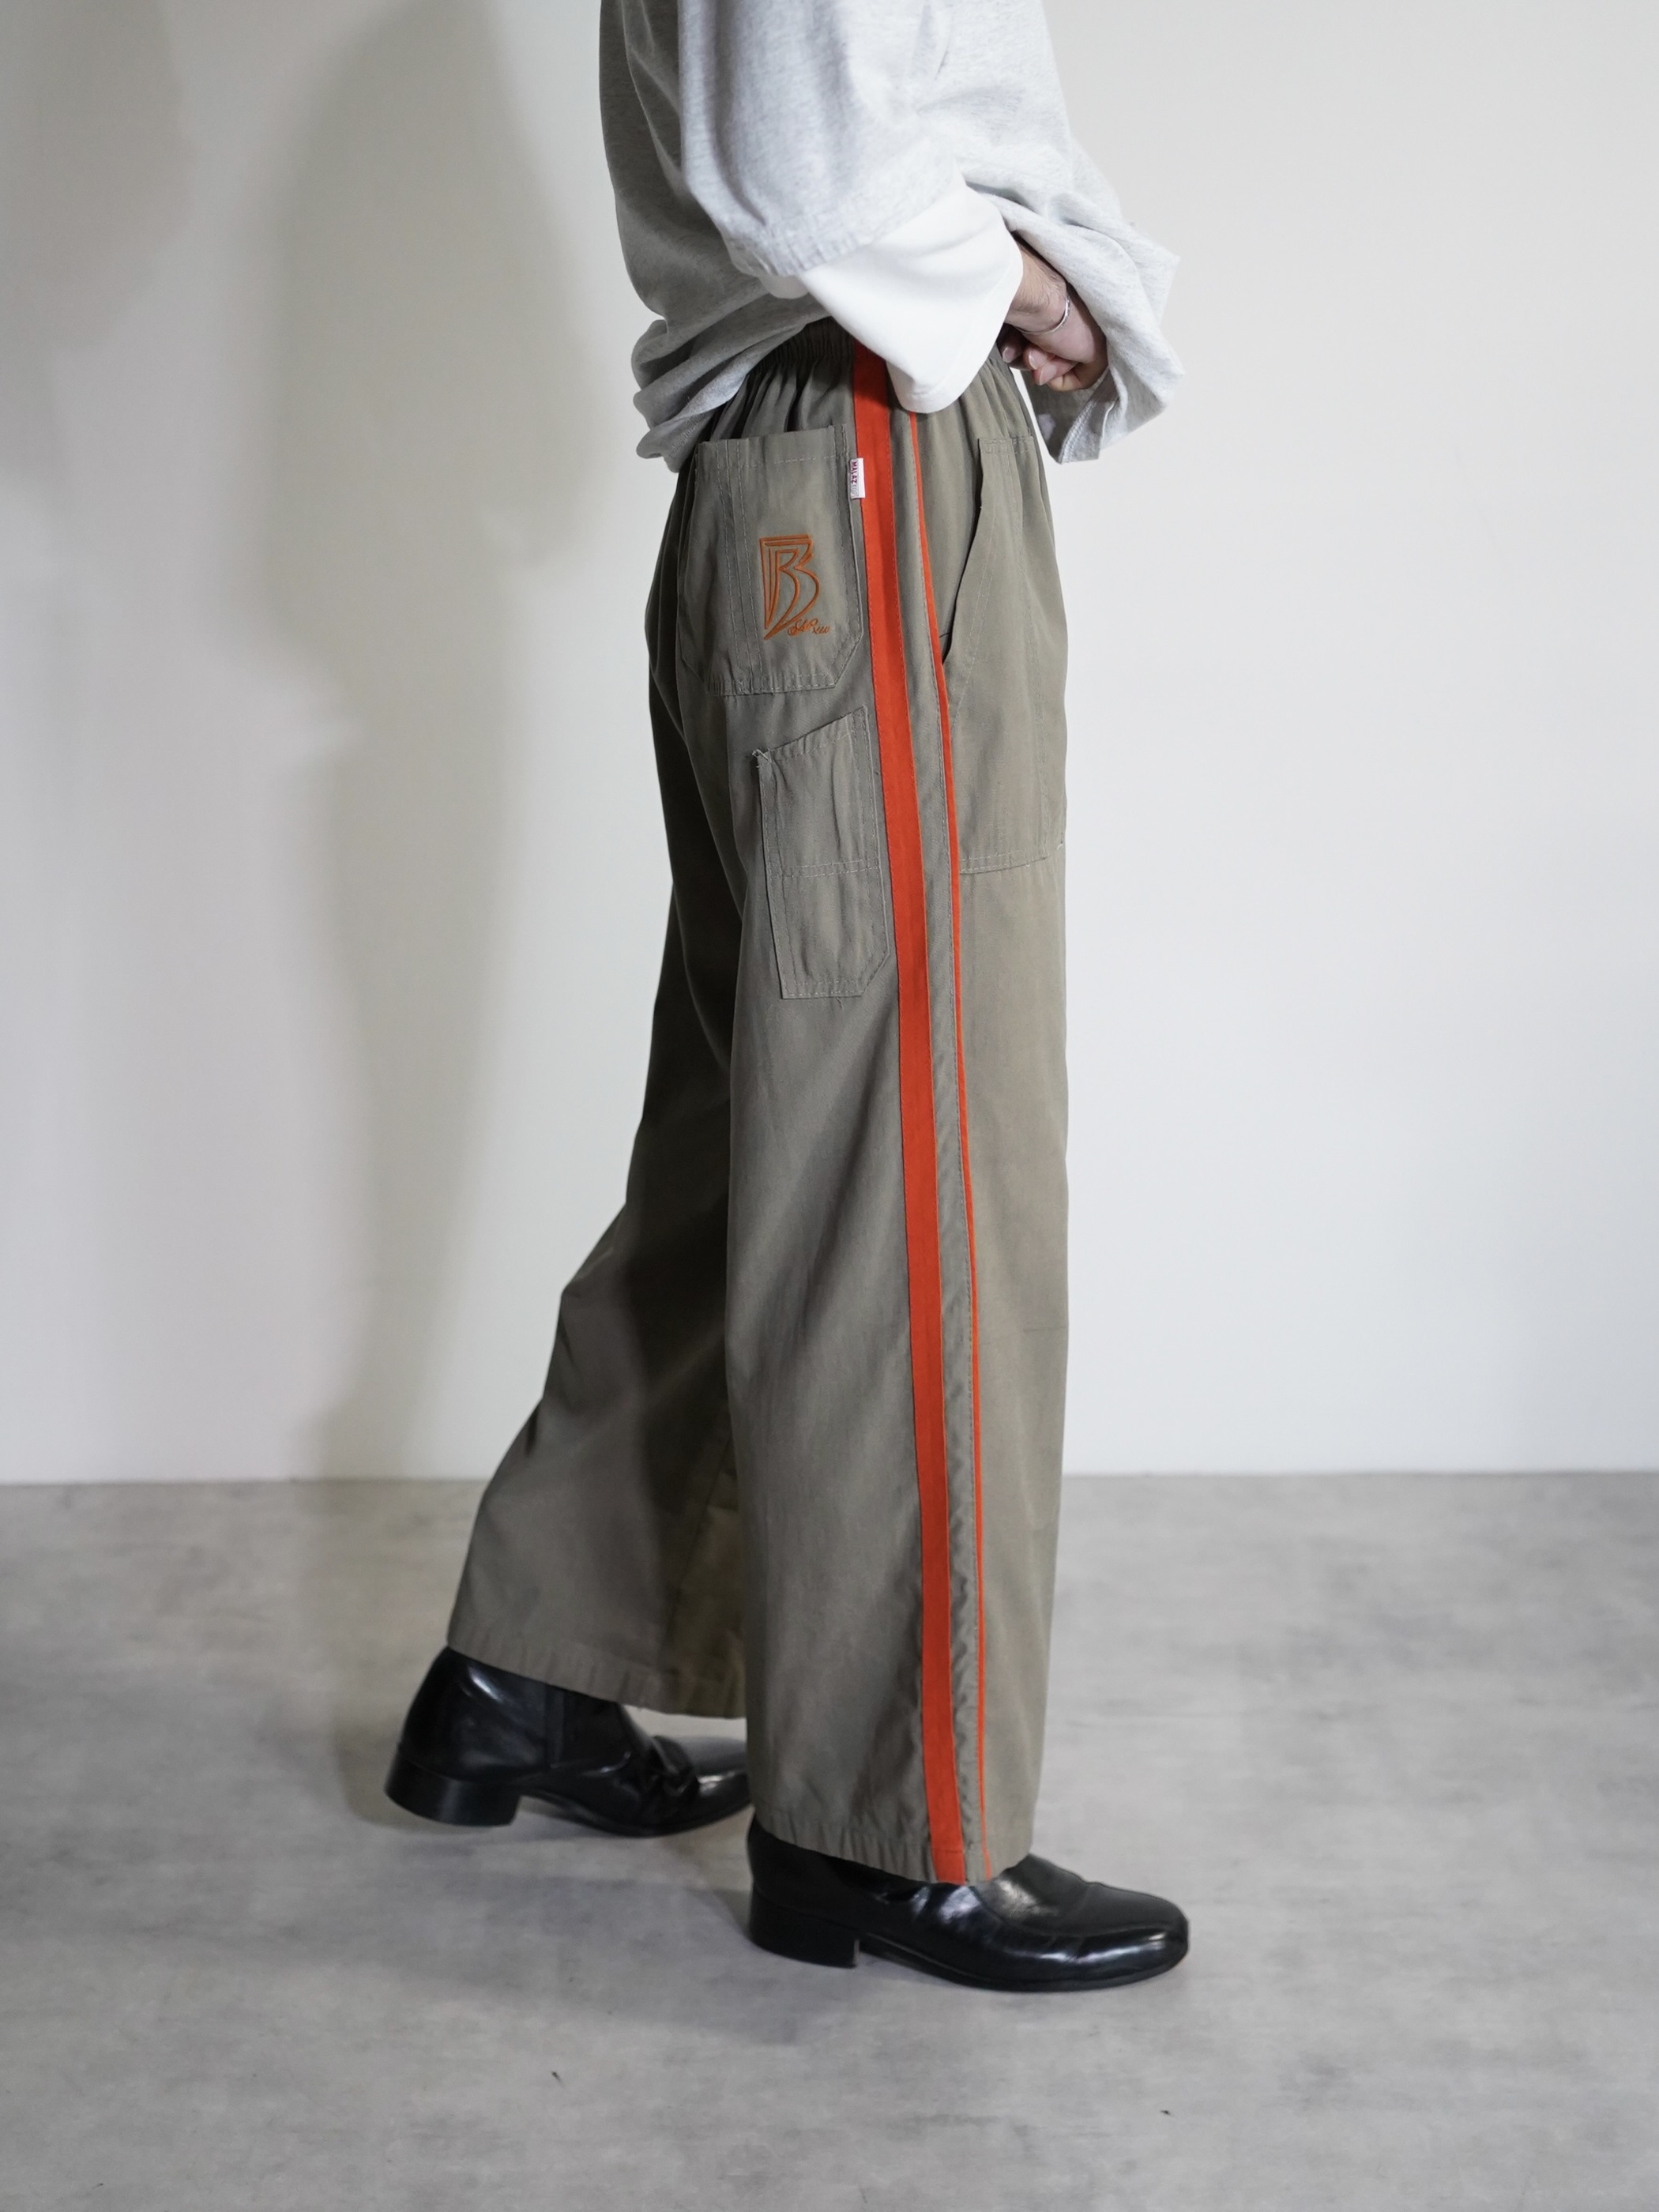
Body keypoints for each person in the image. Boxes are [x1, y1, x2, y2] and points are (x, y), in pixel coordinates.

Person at [386, 0, 1189, 1993]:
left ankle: (534, 1662)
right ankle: (884, 1830)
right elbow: (807, 167)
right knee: (917, 1159)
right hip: (870, 444)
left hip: (817, 455)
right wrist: (1042, 288)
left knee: (775, 1130)